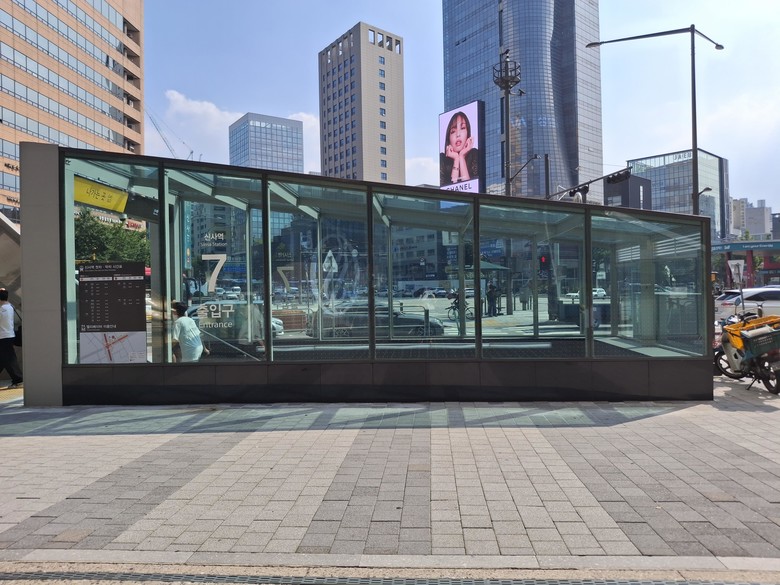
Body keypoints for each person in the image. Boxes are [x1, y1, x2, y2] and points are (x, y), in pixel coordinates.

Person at [440, 111, 480, 185]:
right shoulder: (442, 159)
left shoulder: (475, 154)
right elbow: (450, 190)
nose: (458, 134)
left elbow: (470, 188)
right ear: (448, 138)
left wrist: (461, 157)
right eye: (453, 131)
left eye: (462, 128)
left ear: (468, 133)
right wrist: (456, 159)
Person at [0, 288, 22, 388]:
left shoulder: (2, 310)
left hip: (3, 337)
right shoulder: (10, 307)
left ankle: (18, 379)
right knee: (4, 358)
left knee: (9, 359)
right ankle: (18, 379)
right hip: (8, 335)